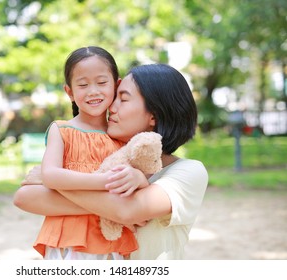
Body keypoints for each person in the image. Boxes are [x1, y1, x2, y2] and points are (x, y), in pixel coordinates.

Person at [14, 63, 209, 260]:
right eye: (114, 97)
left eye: (123, 99)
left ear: (154, 115)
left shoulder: (188, 172)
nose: (111, 107)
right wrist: (55, 177)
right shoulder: (102, 160)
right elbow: (25, 197)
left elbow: (126, 211)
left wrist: (51, 178)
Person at [30, 46, 139, 260]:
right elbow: (51, 175)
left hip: (112, 240)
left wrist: (138, 180)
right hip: (69, 239)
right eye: (82, 85)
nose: (93, 91)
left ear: (116, 85)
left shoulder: (122, 135)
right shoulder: (61, 130)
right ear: (69, 92)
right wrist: (105, 182)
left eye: (101, 82)